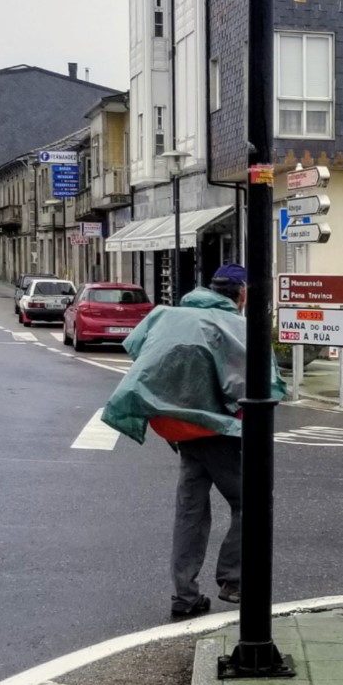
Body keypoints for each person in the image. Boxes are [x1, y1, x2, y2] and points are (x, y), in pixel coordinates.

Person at [101, 264, 278, 620]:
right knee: (252, 503)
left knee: (190, 512)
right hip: (214, 431)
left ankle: (184, 595)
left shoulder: (167, 315)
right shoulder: (234, 325)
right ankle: (233, 580)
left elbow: (138, 349)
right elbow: (250, 381)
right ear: (242, 295)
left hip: (176, 428)